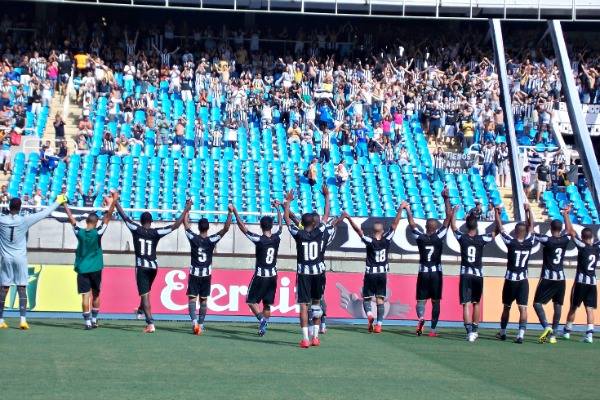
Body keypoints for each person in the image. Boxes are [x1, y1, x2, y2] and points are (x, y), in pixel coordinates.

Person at [115, 199, 190, 333]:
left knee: (145, 295)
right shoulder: (156, 232)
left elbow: (124, 216)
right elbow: (175, 226)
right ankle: (140, 309)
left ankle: (150, 323)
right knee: (146, 291)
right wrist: (186, 209)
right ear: (151, 222)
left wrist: (115, 202)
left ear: (141, 221)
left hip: (142, 267)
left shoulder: (136, 229)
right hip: (154, 267)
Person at [0, 194, 67, 330]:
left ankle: (1, 320)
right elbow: (44, 213)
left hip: (6, 258)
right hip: (20, 258)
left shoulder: (2, 220)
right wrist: (58, 201)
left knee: (4, 288)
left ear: (8, 207)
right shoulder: (25, 220)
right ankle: (23, 320)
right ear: (20, 208)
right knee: (21, 287)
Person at [343, 203, 404, 333]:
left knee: (366, 298)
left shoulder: (369, 241)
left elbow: (358, 230)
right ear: (382, 231)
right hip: (382, 274)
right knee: (380, 299)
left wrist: (348, 218)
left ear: (373, 231)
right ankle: (379, 324)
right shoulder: (387, 239)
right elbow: (394, 225)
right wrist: (400, 209)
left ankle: (370, 315)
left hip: (370, 274)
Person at [283, 185, 330, 348]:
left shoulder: (299, 234)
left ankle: (305, 339)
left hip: (304, 273)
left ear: (302, 223)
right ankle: (316, 336)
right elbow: (326, 215)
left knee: (303, 305)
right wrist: (327, 196)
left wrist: (288, 202)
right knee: (316, 302)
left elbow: (287, 220)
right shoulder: (320, 231)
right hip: (318, 272)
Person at [62, 192, 118, 329]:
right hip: (96, 268)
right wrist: (114, 201)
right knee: (96, 294)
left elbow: (71, 220)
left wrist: (64, 204)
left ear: (87, 222)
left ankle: (87, 322)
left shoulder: (79, 232)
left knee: (85, 296)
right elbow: (108, 216)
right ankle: (94, 320)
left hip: (82, 268)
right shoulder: (98, 233)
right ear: (96, 222)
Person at [404, 188, 452, 337]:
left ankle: (421, 318)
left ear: (425, 227)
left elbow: (412, 224)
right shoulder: (439, 236)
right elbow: (448, 218)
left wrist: (407, 209)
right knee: (436, 302)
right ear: (436, 228)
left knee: (421, 300)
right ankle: (432, 330)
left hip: (423, 272)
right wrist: (446, 199)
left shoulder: (420, 237)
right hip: (436, 273)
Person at [231, 202, 282, 337]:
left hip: (261, 275)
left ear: (260, 226)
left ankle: (262, 320)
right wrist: (278, 208)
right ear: (271, 226)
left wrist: (235, 211)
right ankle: (263, 327)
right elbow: (281, 226)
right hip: (273, 275)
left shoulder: (259, 239)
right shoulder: (277, 238)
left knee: (251, 301)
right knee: (267, 304)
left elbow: (243, 228)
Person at [183, 205, 232, 335]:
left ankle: (194, 322)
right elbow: (226, 229)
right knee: (203, 300)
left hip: (194, 273)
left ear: (198, 228)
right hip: (206, 274)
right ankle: (201, 324)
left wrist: (187, 209)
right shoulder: (211, 240)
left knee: (192, 299)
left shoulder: (193, 238)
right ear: (208, 228)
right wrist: (230, 212)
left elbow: (186, 224)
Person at [450, 206, 495, 342]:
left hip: (465, 274)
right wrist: (497, 215)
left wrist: (454, 213)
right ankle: (474, 331)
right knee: (476, 303)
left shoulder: (462, 238)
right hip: (477, 275)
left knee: (466, 304)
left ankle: (469, 331)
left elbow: (453, 227)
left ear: (466, 226)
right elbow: (496, 233)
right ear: (477, 226)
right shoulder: (482, 239)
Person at [495, 203, 537, 344]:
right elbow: (532, 226)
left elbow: (500, 229)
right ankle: (520, 335)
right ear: (524, 232)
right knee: (523, 308)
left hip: (510, 279)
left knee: (507, 307)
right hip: (523, 280)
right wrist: (528, 210)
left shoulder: (511, 242)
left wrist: (497, 214)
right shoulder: (530, 241)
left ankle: (502, 332)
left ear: (515, 231)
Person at [561, 206, 598, 343]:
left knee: (574, 306)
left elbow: (570, 232)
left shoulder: (582, 246)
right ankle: (589, 335)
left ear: (583, 237)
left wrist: (566, 215)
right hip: (592, 282)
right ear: (592, 237)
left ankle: (567, 331)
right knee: (589, 309)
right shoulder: (596, 248)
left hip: (581, 282)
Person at [533, 217, 570, 344]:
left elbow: (532, 233)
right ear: (561, 229)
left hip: (548, 277)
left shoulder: (548, 240)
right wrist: (566, 215)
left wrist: (529, 214)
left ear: (550, 228)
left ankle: (546, 326)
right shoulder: (565, 239)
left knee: (537, 303)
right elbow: (570, 231)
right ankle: (553, 334)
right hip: (561, 278)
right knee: (558, 305)